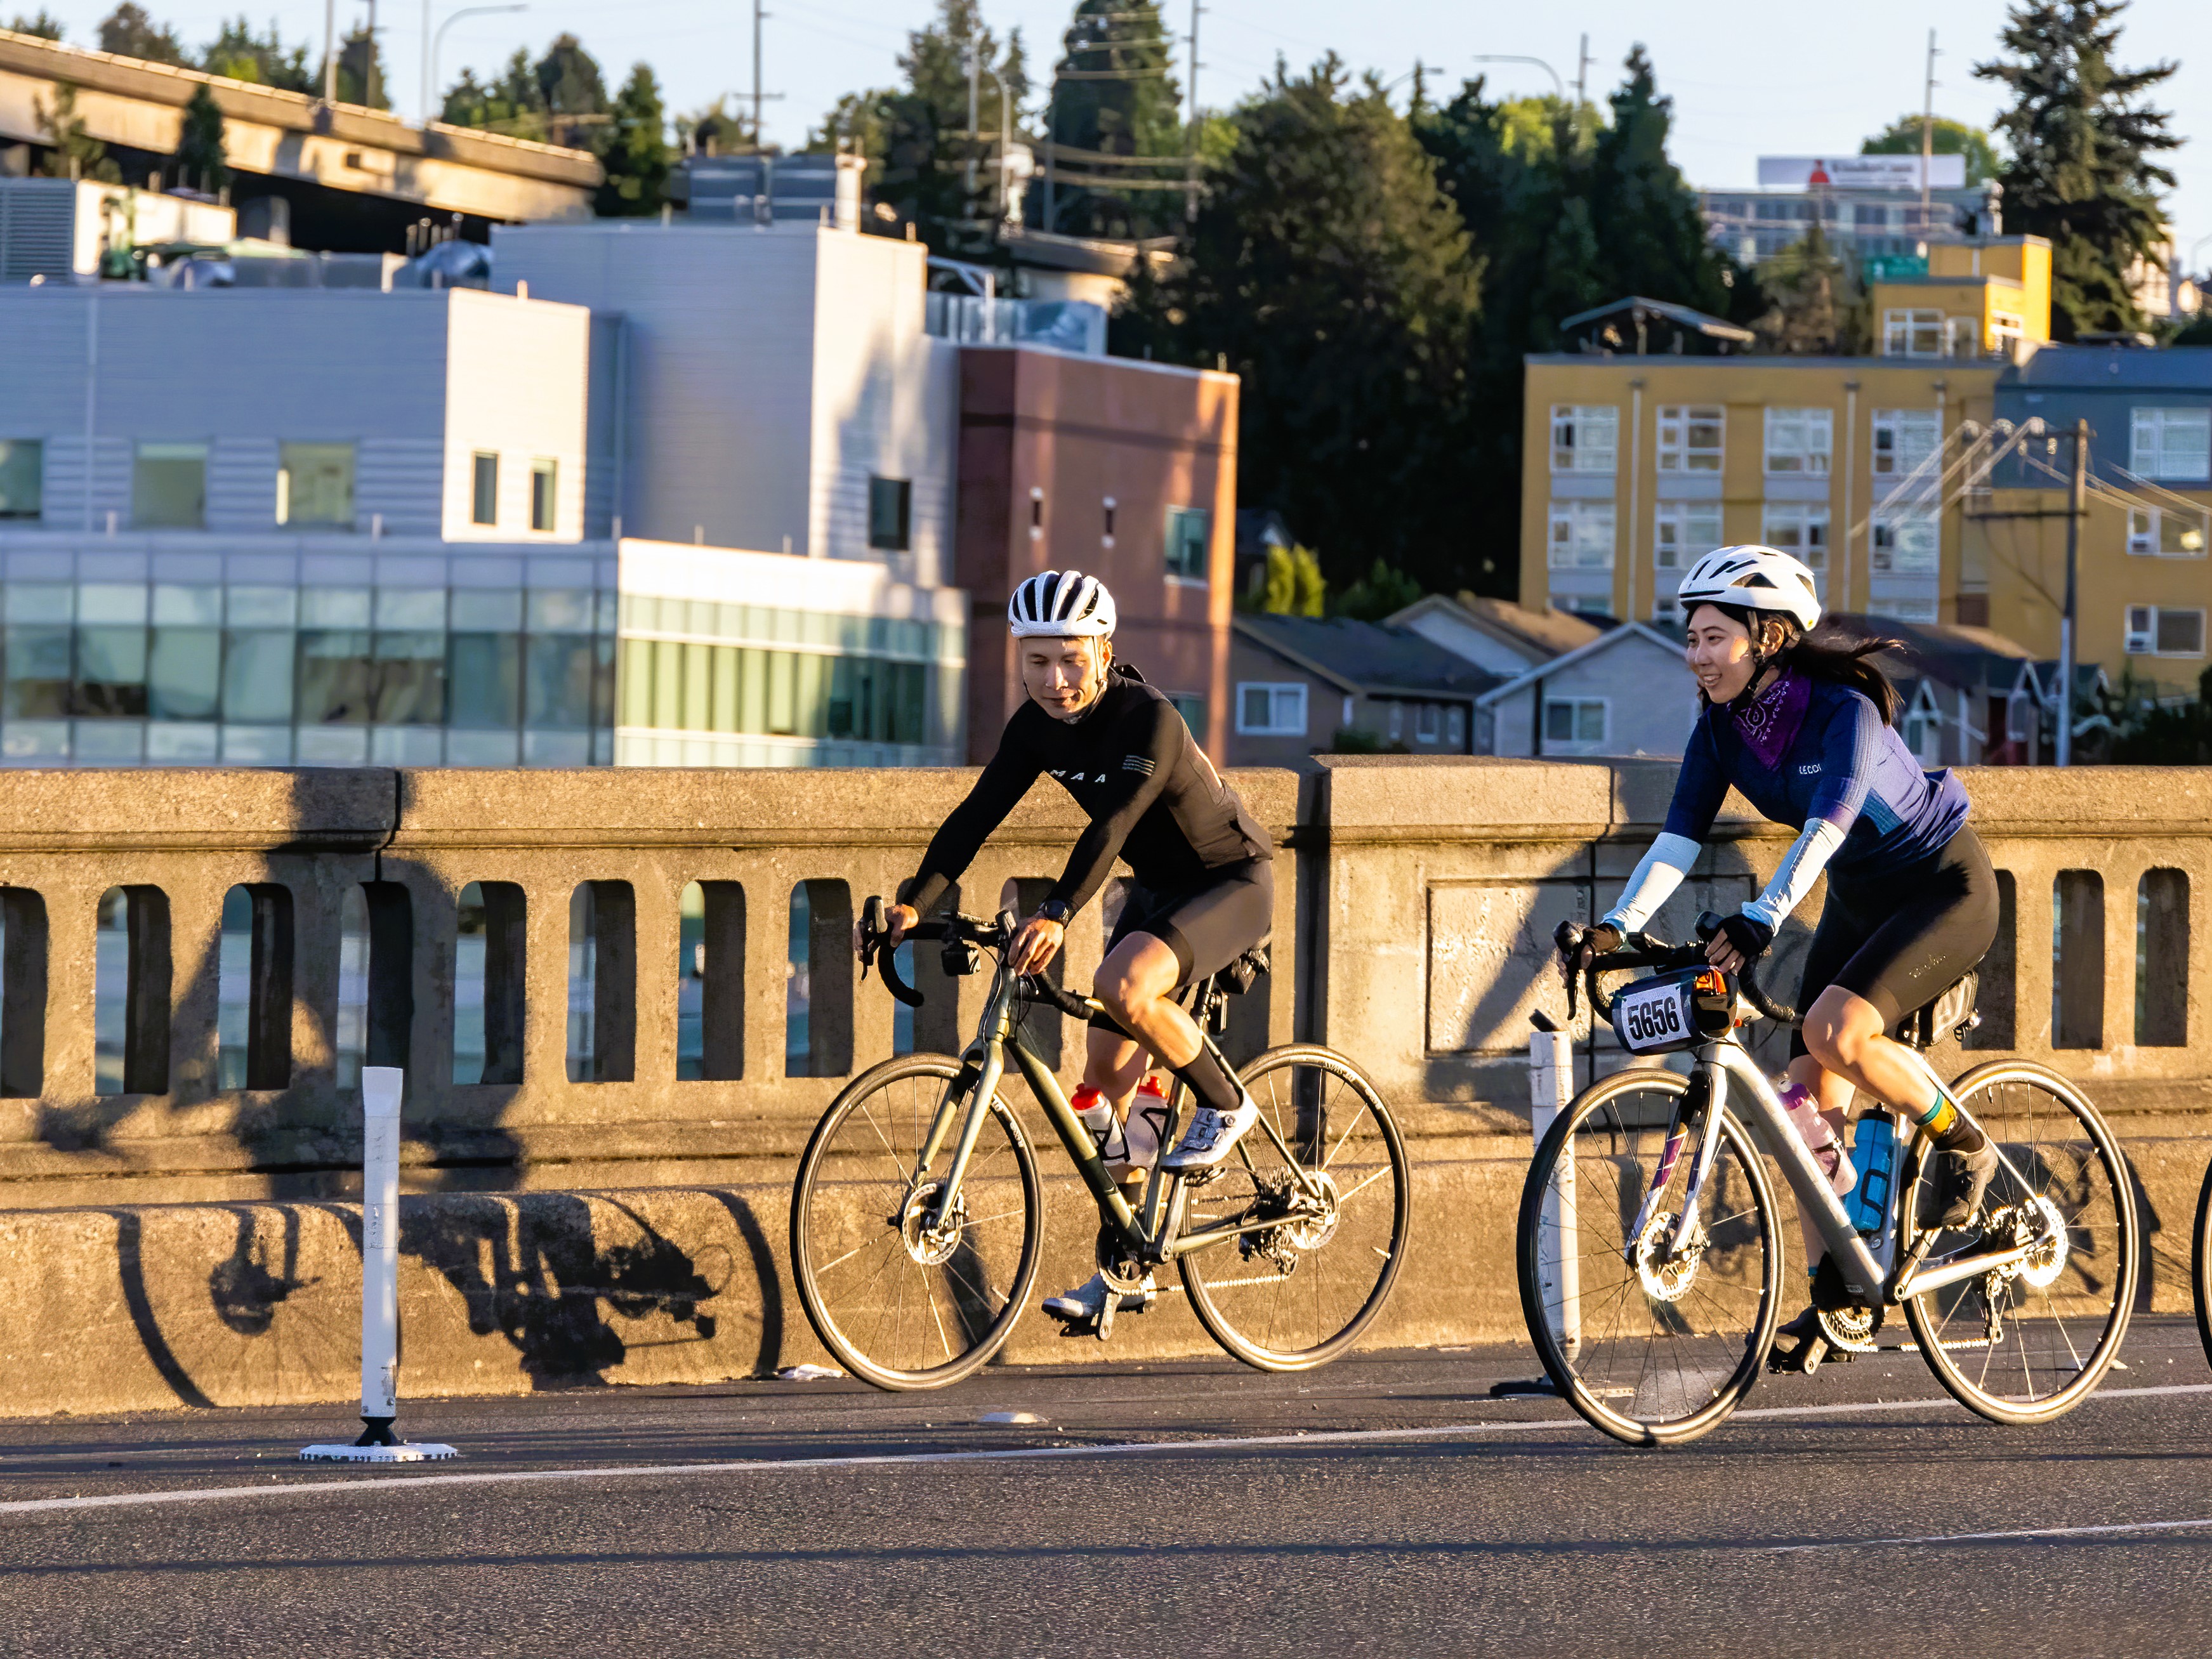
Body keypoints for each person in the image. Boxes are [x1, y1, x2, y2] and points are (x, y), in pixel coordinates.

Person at [1563, 545, 2000, 1370]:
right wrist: (1615, 925)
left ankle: (1963, 1143)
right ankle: (1837, 1296)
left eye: (1712, 637)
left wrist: (1763, 914)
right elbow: (1677, 836)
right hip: (1860, 896)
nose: (1695, 655)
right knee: (1802, 1097)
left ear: (1767, 636)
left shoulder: (1842, 710)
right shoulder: (1719, 728)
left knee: (1838, 1029)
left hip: (1940, 886)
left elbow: (1827, 821)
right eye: (1689, 637)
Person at [873, 569, 1275, 1330]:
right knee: (1101, 1082)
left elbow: (1114, 824)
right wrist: (911, 903)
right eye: (1036, 661)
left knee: (1122, 983)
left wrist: (1058, 909)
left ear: (1104, 649)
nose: (1055, 680)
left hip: (1229, 879)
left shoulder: (1147, 717)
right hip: (1157, 891)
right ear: (1018, 659)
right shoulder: (1033, 727)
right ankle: (1127, 1264)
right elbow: (975, 816)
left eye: (1071, 658)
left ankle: (1229, 1105)